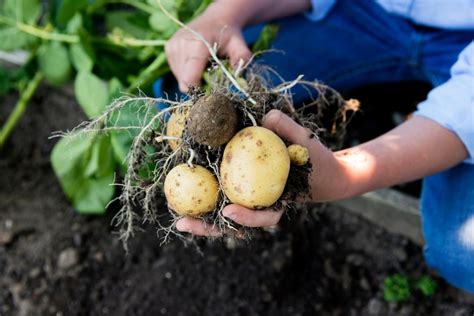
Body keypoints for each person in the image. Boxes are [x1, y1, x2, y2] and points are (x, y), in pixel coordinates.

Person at [163, 0, 474, 292]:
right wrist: (226, 12)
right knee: (182, 97)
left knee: (464, 256)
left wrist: (345, 175)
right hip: (367, 10)